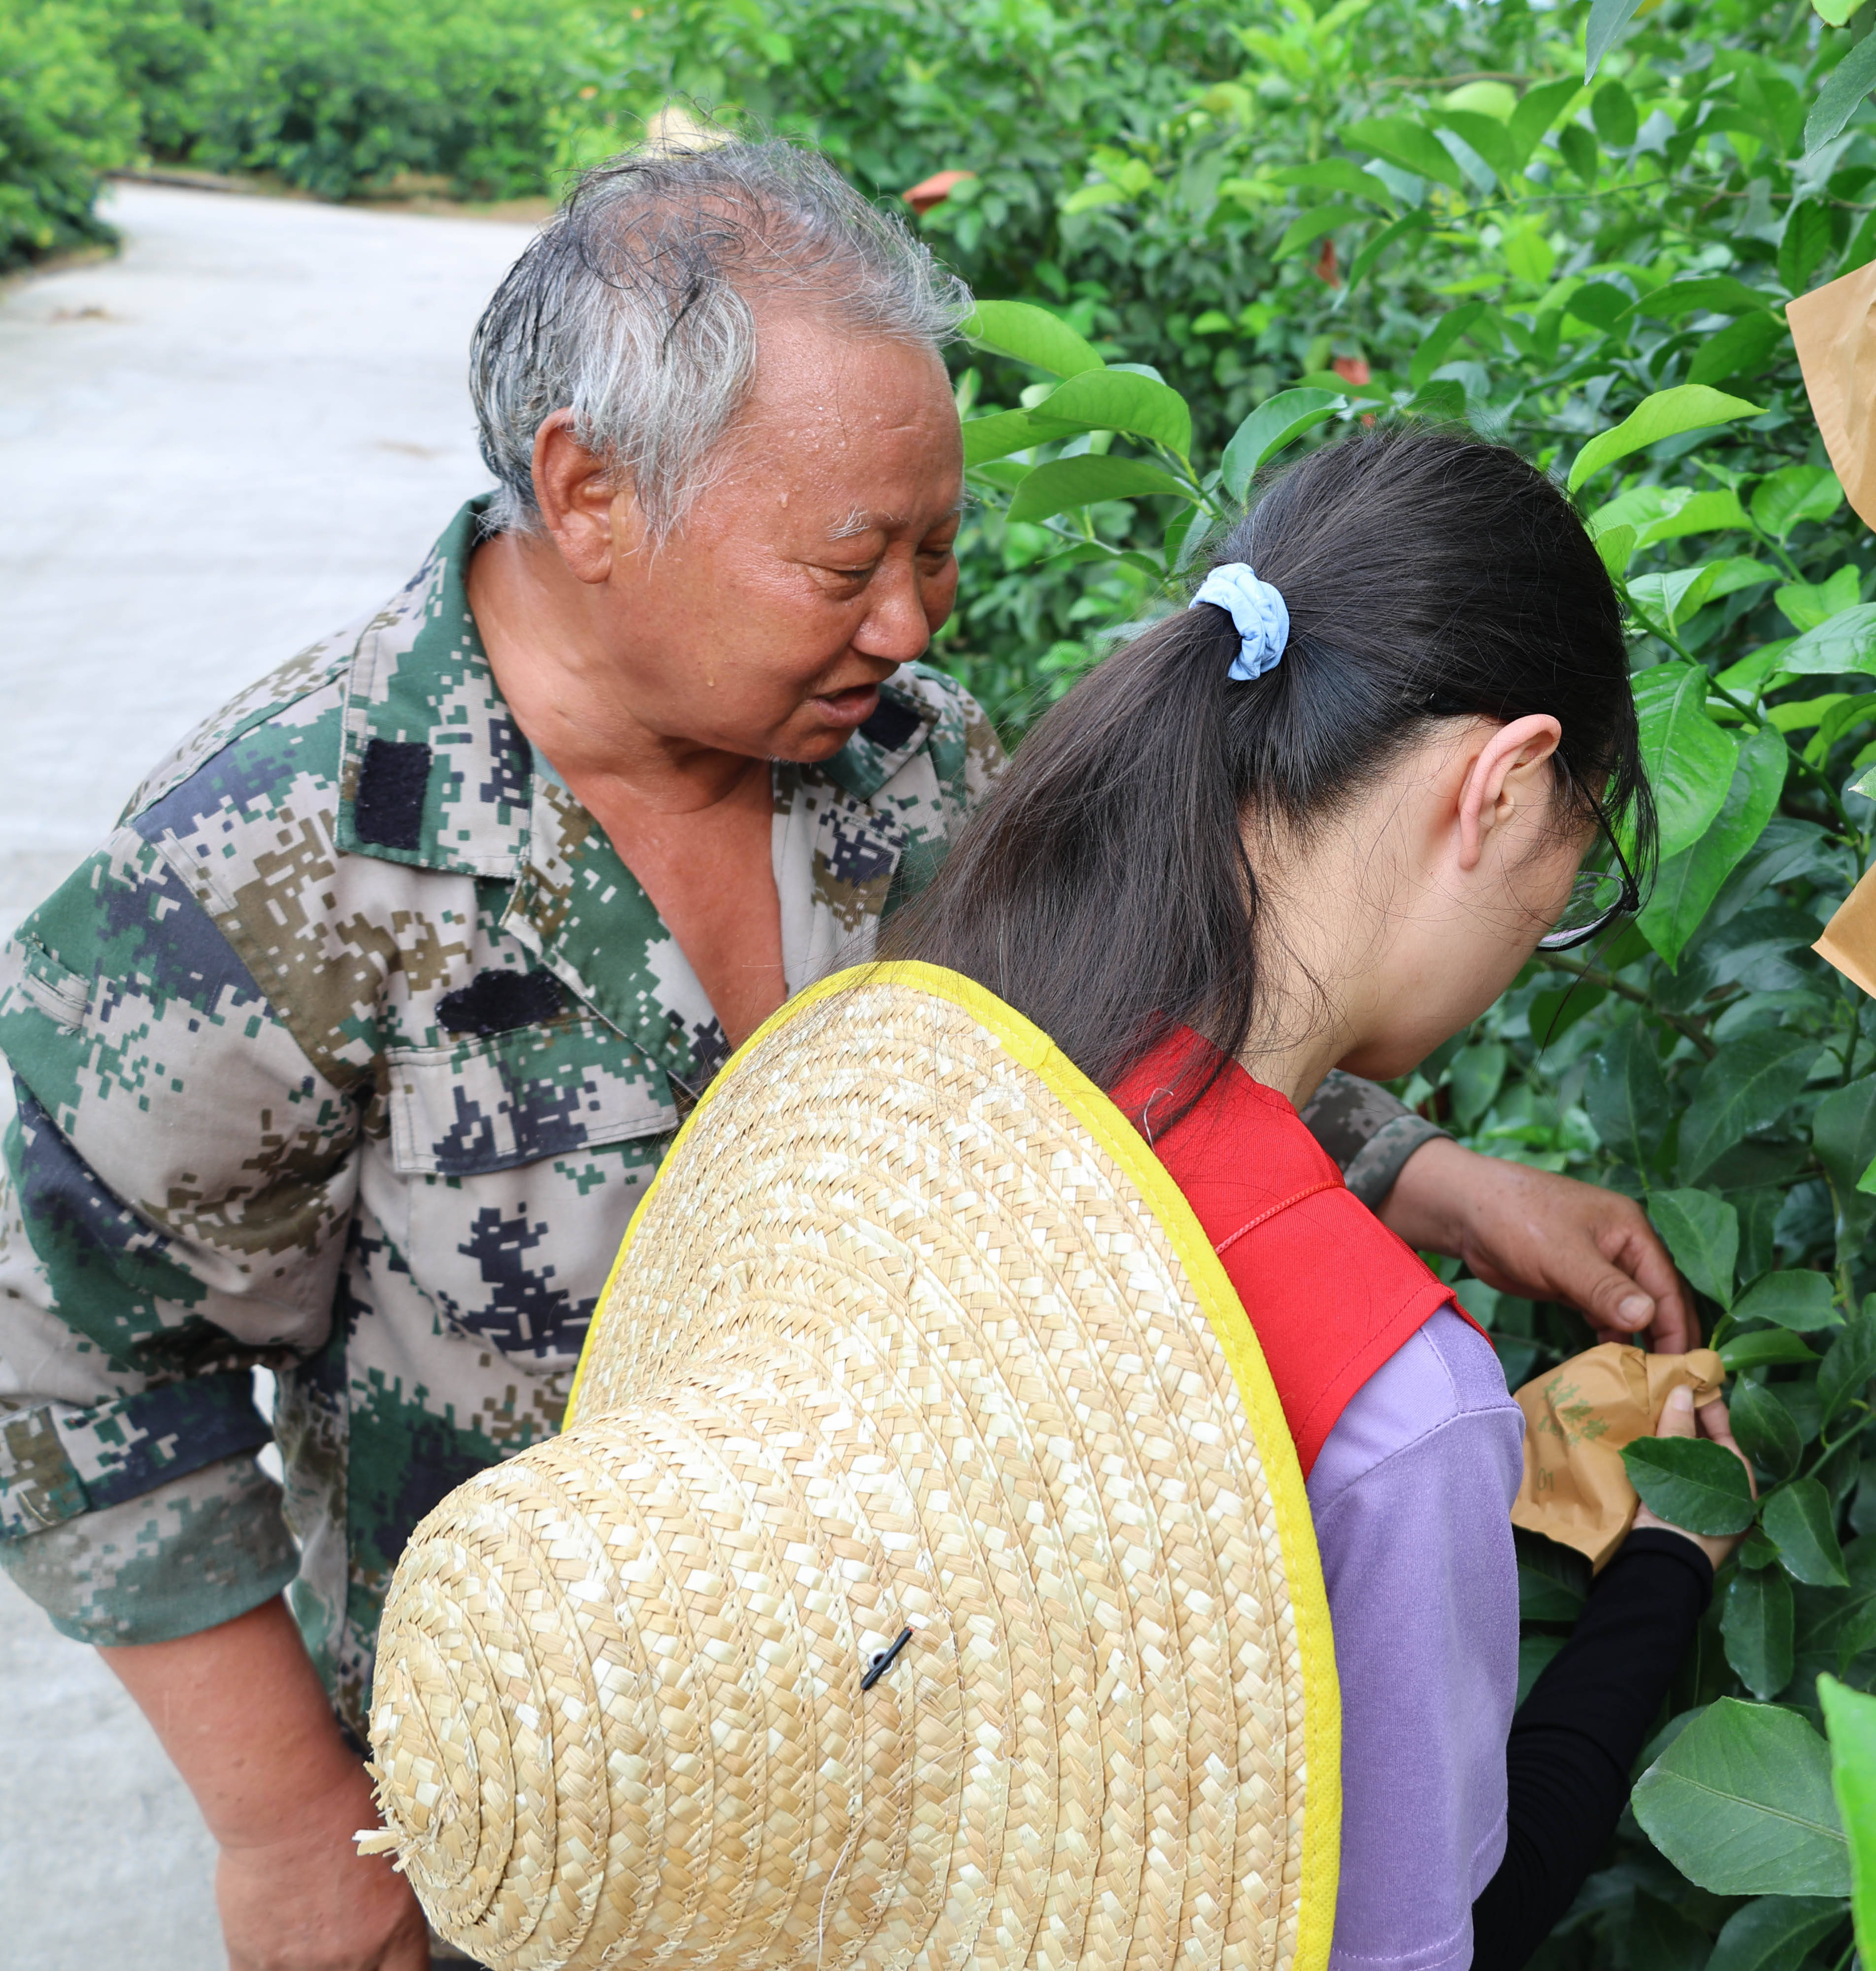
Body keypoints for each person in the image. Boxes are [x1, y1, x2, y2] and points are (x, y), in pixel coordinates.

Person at [0, 140, 1693, 1971]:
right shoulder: (270, 863)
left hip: (889, 1798)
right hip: (510, 1818)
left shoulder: (908, 760)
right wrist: (284, 1827)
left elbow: (1106, 1062)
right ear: (587, 493)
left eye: (938, 550)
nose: (910, 625)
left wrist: (1425, 1178)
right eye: (847, 563)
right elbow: (61, 1340)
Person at [884, 425, 1750, 1971]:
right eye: (1578, 864)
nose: (1546, 917)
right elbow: (1432, 1931)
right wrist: (1668, 1575)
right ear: (1503, 785)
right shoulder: (1402, 1410)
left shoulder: (956, 1044)